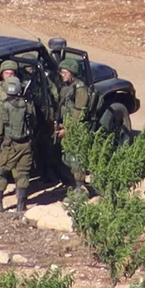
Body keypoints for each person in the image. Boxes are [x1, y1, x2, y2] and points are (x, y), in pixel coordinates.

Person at [0, 60, 37, 214]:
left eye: (12, 73)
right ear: (2, 75)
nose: (9, 75)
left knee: (1, 171)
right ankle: (19, 205)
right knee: (22, 173)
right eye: (7, 73)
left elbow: (0, 123)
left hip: (9, 142)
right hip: (23, 142)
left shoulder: (16, 97)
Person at [56, 55, 93, 194]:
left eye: (64, 73)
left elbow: (79, 111)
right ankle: (72, 183)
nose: (62, 75)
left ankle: (80, 186)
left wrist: (68, 128)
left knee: (77, 157)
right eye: (61, 72)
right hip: (67, 125)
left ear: (72, 73)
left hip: (77, 129)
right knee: (67, 156)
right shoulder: (66, 87)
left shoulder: (80, 88)